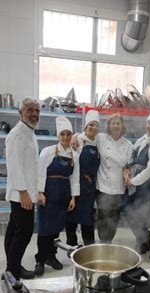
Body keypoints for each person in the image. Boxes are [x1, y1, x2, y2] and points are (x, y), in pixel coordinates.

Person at [4, 97, 44, 280]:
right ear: (20, 113)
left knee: (14, 230)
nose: (34, 114)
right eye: (30, 110)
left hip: (27, 193)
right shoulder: (16, 134)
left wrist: (36, 192)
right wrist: (23, 193)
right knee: (24, 233)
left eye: (37, 110)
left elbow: (31, 167)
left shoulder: (30, 132)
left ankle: (12, 267)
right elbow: (14, 167)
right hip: (21, 195)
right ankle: (12, 272)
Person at [34, 116, 79, 275]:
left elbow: (74, 178)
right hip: (48, 195)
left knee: (55, 229)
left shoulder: (74, 155)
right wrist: (39, 192)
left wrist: (73, 197)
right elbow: (40, 174)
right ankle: (40, 259)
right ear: (58, 136)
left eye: (68, 134)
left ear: (71, 135)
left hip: (64, 197)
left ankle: (51, 257)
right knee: (44, 229)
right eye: (62, 134)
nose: (66, 137)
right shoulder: (48, 152)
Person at [123, 108, 150, 254]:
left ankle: (143, 241)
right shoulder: (142, 139)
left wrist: (134, 181)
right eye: (148, 123)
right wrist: (127, 171)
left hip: (147, 184)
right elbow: (131, 158)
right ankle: (143, 236)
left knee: (140, 213)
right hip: (134, 181)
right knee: (128, 209)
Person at [95, 113, 133, 243]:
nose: (115, 125)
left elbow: (129, 164)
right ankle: (102, 241)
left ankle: (108, 241)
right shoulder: (101, 138)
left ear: (122, 126)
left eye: (118, 123)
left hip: (118, 186)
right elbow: (86, 137)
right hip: (103, 183)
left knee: (114, 217)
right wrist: (76, 137)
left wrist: (127, 172)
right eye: (113, 123)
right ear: (109, 126)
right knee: (102, 216)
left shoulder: (128, 144)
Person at [65, 110, 101, 246]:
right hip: (77, 182)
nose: (93, 128)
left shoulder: (98, 142)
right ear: (85, 127)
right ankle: (72, 244)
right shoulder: (77, 141)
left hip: (90, 187)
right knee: (71, 216)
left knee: (88, 217)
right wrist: (75, 135)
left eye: (96, 125)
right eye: (91, 125)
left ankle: (89, 245)